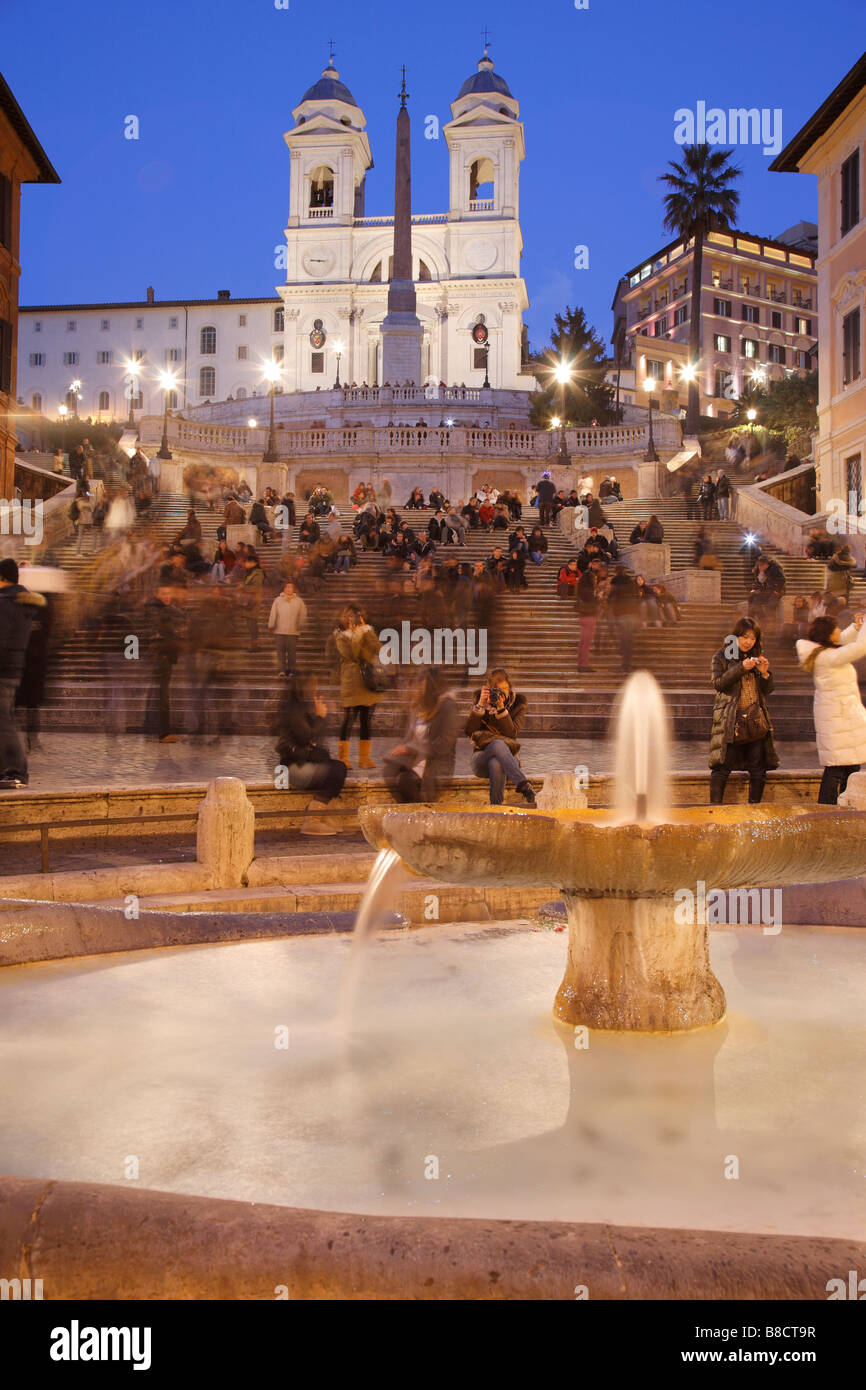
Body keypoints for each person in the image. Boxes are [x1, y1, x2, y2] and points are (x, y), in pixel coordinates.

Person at [796, 613, 866, 804]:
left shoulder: (823, 653)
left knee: (850, 768)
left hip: (844, 718)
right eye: (835, 627)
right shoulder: (828, 657)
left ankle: (848, 806)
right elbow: (860, 647)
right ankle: (827, 809)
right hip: (839, 719)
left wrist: (855, 628)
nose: (838, 630)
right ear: (827, 634)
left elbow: (842, 640)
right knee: (836, 769)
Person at [709, 617, 777, 804]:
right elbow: (718, 683)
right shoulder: (722, 656)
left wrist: (764, 673)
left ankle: (754, 810)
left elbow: (766, 690)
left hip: (755, 721)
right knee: (721, 768)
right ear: (735, 636)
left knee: (758, 770)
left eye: (753, 638)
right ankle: (714, 811)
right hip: (732, 720)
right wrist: (740, 668)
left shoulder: (755, 657)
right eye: (744, 637)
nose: (748, 642)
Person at [273, 673, 347, 835]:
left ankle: (324, 816)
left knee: (339, 767)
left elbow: (315, 741)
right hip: (291, 768)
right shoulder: (293, 710)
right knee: (336, 770)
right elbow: (306, 737)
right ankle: (312, 820)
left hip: (302, 763)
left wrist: (322, 716)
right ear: (304, 687)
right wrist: (320, 717)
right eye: (313, 685)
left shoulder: (302, 708)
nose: (316, 688)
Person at [0, 558, 47, 788]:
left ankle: (16, 770)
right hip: (13, 668)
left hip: (3, 668)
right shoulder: (21, 602)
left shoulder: (6, 603)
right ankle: (10, 769)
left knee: (3, 721)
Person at [383, 670, 460, 802]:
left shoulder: (447, 707)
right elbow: (407, 737)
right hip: (417, 759)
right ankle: (409, 813)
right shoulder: (419, 706)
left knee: (405, 781)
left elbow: (445, 742)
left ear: (430, 686)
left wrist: (413, 749)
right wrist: (406, 706)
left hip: (436, 762)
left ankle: (422, 814)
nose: (416, 688)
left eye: (420, 684)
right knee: (389, 771)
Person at [465, 668, 536, 806]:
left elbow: (511, 734)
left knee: (496, 762)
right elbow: (469, 731)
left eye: (505, 688)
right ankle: (524, 785)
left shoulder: (518, 704)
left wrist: (501, 709)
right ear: (489, 689)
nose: (502, 693)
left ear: (510, 688)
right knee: (497, 745)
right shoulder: (481, 701)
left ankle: (496, 808)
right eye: (497, 689)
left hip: (508, 759)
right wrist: (480, 704)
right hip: (481, 758)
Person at [334, 605, 382, 769]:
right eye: (349, 616)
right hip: (352, 684)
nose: (352, 620)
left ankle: (364, 757)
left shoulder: (366, 631)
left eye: (355, 616)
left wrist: (367, 631)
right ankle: (343, 757)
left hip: (368, 683)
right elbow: (352, 654)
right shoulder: (341, 637)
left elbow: (378, 648)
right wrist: (359, 635)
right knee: (348, 721)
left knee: (366, 721)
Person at [144, 583, 184, 744]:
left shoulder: (157, 610)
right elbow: (162, 632)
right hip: (162, 657)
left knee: (158, 694)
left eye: (169, 593)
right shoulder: (159, 612)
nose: (167, 596)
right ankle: (163, 733)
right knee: (162, 696)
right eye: (164, 593)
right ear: (157, 594)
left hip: (162, 656)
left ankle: (153, 727)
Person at [268, 580, 307, 676]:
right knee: (280, 652)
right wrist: (271, 625)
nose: (288, 589)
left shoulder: (299, 601)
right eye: (287, 587)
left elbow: (303, 614)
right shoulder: (278, 600)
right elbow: (273, 613)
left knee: (291, 653)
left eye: (291, 587)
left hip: (293, 631)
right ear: (284, 589)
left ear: (294, 589)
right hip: (280, 631)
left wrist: (300, 625)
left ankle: (291, 671)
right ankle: (281, 670)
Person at [608, 564, 640, 672]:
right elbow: (637, 597)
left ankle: (624, 665)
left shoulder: (615, 583)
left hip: (621, 614)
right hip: (632, 613)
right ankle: (627, 664)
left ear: (616, 572)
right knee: (629, 639)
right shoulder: (632, 583)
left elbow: (611, 597)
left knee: (623, 639)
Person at [576, 558, 603, 671]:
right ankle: (584, 665)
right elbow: (592, 600)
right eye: (594, 579)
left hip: (584, 615)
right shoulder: (587, 589)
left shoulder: (583, 586)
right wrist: (598, 597)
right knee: (586, 642)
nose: (595, 580)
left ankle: (582, 664)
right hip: (589, 615)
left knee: (583, 642)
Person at [748, 554, 786, 625]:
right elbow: (757, 583)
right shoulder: (757, 570)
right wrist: (755, 590)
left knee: (770, 606)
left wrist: (777, 591)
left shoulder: (775, 568)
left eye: (763, 565)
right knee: (755, 602)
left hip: (776, 591)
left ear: (767, 564)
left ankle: (771, 624)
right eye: (760, 565)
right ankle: (763, 620)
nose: (761, 567)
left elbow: (782, 580)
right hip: (765, 591)